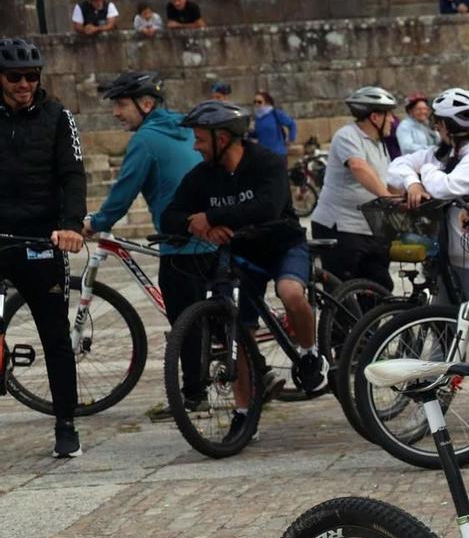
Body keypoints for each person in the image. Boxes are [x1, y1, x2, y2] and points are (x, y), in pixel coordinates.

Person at [162, 99, 323, 429]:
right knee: (237, 330)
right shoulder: (202, 176)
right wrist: (197, 224)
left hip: (281, 244)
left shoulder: (267, 162)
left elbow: (269, 206)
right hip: (241, 255)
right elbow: (170, 216)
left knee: (290, 292)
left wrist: (214, 216)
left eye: (201, 140)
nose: (196, 147)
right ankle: (244, 412)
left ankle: (310, 351)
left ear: (222, 139)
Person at [89, 72, 209, 405]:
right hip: (212, 235)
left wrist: (95, 223)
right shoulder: (186, 128)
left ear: (146, 103)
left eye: (122, 104)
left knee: (184, 321)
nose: (116, 112)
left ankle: (194, 395)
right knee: (208, 313)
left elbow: (122, 193)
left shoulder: (145, 140)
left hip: (182, 243)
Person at [0, 38, 85, 456]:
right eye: (15, 76)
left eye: (31, 76)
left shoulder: (58, 117)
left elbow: (73, 176)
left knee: (55, 335)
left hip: (39, 239)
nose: (24, 84)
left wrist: (70, 225)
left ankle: (66, 422)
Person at [386, 86, 469, 296]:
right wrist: (412, 183)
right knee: (447, 321)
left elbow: (444, 187)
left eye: (437, 123)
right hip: (447, 255)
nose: (435, 128)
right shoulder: (448, 151)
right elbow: (397, 167)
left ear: (445, 126)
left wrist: (425, 170)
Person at [310, 84, 404, 287]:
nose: (392, 120)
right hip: (340, 227)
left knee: (381, 285)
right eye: (389, 115)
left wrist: (405, 198)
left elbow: (388, 180)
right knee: (344, 291)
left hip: (370, 228)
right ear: (375, 117)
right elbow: (358, 166)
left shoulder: (380, 145)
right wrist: (387, 198)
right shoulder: (348, 135)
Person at [251, 90, 296, 157]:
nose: (256, 104)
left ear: (267, 102)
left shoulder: (275, 113)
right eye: (255, 102)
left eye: (259, 102)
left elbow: (291, 124)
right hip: (263, 155)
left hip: (277, 154)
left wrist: (290, 139)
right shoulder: (257, 118)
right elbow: (258, 134)